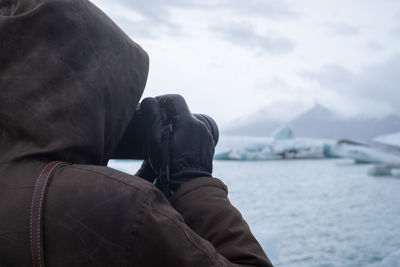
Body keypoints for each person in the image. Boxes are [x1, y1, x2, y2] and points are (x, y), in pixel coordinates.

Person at [0, 0, 273, 266]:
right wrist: (192, 179)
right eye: (117, 102)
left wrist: (145, 187)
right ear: (84, 92)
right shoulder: (118, 206)